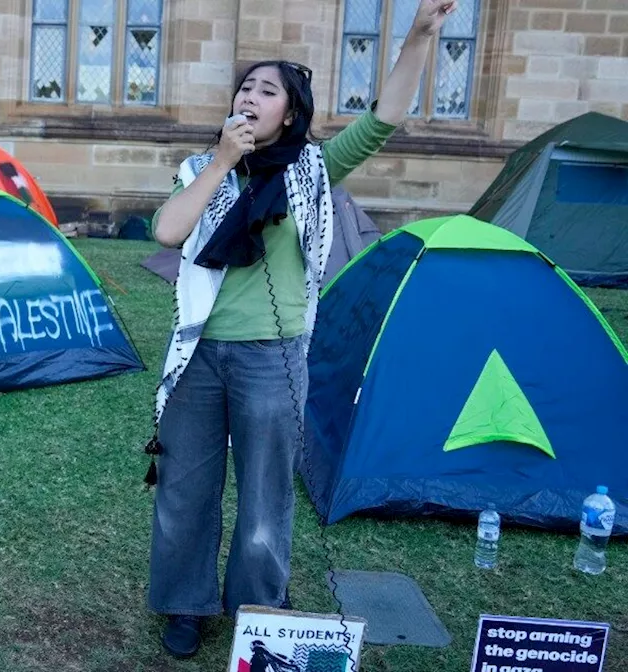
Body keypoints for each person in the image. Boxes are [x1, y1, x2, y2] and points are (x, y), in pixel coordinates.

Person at [144, 0, 462, 659]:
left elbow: (384, 120)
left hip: (273, 357)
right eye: (245, 87)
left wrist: (420, 36)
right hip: (199, 357)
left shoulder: (312, 170)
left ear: (290, 112)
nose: (250, 96)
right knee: (184, 488)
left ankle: (258, 609)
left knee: (265, 498)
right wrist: (221, 162)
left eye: (268, 90)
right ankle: (184, 604)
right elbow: (170, 231)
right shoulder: (199, 170)